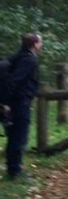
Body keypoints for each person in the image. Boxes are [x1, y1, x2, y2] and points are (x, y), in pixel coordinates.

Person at [3, 33, 41, 180]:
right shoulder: (29, 60)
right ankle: (15, 171)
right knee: (18, 137)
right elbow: (16, 80)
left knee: (13, 136)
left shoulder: (17, 56)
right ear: (35, 44)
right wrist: (6, 102)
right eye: (40, 42)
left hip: (14, 102)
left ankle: (13, 167)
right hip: (19, 103)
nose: (41, 45)